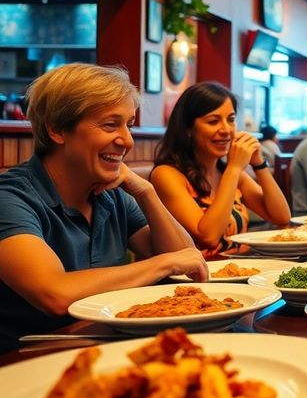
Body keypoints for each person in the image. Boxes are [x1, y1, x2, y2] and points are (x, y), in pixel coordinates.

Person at [0, 64, 207, 352]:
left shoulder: (110, 193)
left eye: (129, 125)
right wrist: (165, 263)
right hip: (27, 363)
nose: (128, 140)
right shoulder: (10, 198)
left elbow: (190, 264)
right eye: (110, 125)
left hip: (107, 346)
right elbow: (54, 293)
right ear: (57, 129)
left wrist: (146, 192)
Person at [151, 83, 291, 258]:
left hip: (239, 270)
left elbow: (281, 217)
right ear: (188, 129)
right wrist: (233, 169)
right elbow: (208, 237)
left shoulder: (231, 173)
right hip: (196, 279)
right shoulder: (167, 175)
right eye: (213, 121)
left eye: (231, 120)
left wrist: (259, 164)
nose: (226, 130)